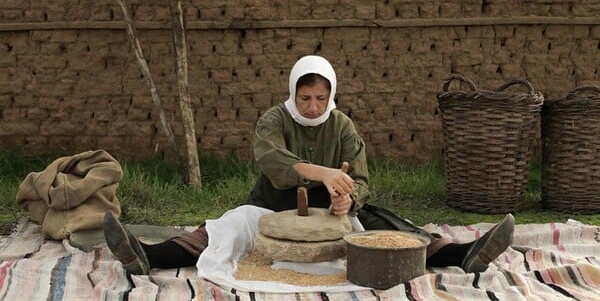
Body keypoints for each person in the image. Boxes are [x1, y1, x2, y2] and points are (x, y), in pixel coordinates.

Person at [103, 55, 515, 277]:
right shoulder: (274, 120)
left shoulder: (342, 125)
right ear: (293, 94)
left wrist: (347, 200)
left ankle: (463, 254)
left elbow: (363, 179)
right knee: (225, 226)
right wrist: (322, 173)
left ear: (330, 94)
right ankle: (147, 256)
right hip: (272, 206)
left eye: (320, 98)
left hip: (332, 215)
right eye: (305, 98)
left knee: (390, 227)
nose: (313, 106)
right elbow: (271, 158)